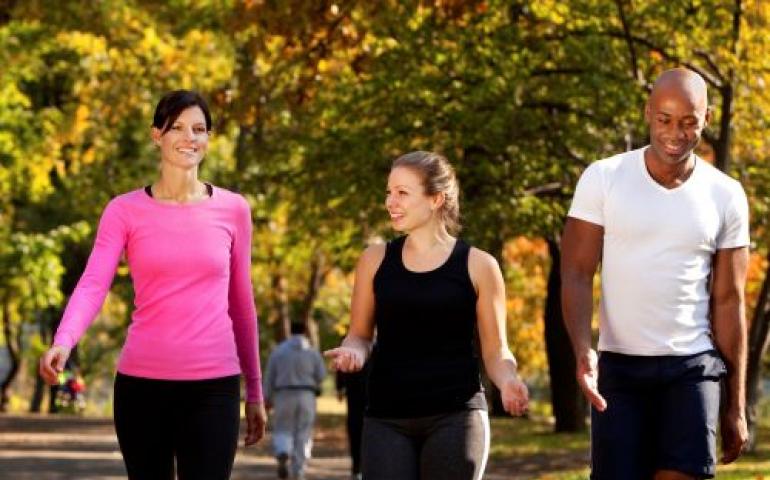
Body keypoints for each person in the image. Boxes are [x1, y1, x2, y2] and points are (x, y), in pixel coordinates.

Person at [38, 90, 266, 480]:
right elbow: (94, 283)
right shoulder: (123, 211)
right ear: (156, 135)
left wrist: (255, 391)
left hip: (214, 388)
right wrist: (64, 340)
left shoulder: (234, 210)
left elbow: (241, 303)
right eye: (176, 127)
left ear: (209, 138)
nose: (188, 137)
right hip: (142, 387)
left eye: (198, 129)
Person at [561, 68, 750, 480]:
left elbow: (729, 301)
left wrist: (734, 405)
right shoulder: (604, 178)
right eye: (664, 119)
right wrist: (582, 350)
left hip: (692, 368)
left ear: (706, 118)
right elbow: (576, 272)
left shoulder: (726, 194)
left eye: (688, 122)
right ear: (648, 113)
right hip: (620, 370)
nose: (675, 133)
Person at [325, 151, 529, 480]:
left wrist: (507, 380)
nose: (391, 201)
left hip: (456, 416)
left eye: (402, 193)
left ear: (436, 199)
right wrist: (353, 352)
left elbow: (496, 349)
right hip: (386, 417)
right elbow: (360, 335)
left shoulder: (479, 265)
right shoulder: (374, 260)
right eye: (388, 192)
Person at [263, 321, 326, 480]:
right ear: (305, 332)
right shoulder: (312, 352)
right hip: (306, 394)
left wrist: (267, 398)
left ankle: (283, 451)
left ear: (290, 331)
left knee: (283, 428)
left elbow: (269, 376)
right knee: (303, 432)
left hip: (283, 394)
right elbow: (321, 375)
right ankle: (298, 470)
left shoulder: (278, 351)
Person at [335, 364, 367, 480]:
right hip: (368, 393)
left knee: (355, 429)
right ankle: (360, 467)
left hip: (355, 392)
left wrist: (339, 387)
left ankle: (357, 467)